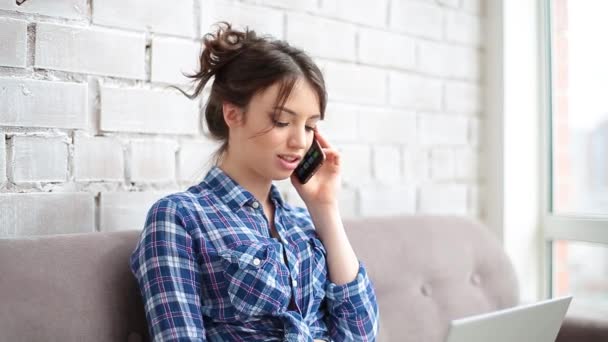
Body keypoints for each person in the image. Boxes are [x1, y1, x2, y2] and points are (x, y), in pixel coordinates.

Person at [129, 22, 379, 342]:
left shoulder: (304, 222)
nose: (300, 142)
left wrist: (325, 208)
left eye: (309, 127)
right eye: (282, 121)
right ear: (233, 114)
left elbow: (361, 335)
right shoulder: (180, 217)